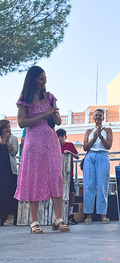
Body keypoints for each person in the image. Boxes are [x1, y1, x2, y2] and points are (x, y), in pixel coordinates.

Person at [15, 66, 70, 233]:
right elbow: (21, 122)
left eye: (45, 78)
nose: (44, 81)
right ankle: (34, 221)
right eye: (41, 78)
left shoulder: (50, 97)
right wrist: (43, 114)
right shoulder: (25, 98)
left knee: (56, 177)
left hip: (51, 142)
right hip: (33, 143)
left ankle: (58, 219)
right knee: (35, 179)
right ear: (33, 80)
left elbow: (58, 122)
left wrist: (53, 113)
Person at [83, 108, 113, 224]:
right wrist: (95, 136)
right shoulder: (89, 131)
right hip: (90, 156)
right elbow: (85, 147)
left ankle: (103, 215)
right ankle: (88, 215)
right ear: (93, 117)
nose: (97, 118)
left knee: (102, 185)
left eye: (100, 116)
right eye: (96, 116)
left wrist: (101, 136)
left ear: (103, 118)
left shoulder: (108, 130)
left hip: (103, 156)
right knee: (88, 185)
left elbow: (108, 146)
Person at [56, 128, 79, 225]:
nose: (60, 138)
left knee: (72, 193)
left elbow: (77, 156)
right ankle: (58, 215)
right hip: (56, 175)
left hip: (68, 175)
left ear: (65, 137)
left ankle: (70, 213)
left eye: (62, 136)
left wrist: (70, 153)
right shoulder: (54, 146)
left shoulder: (70, 145)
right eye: (58, 136)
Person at [0, 120, 18, 226]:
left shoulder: (13, 138)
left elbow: (14, 152)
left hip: (10, 170)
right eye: (6, 127)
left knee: (11, 193)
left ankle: (11, 215)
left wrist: (6, 141)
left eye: (9, 126)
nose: (8, 128)